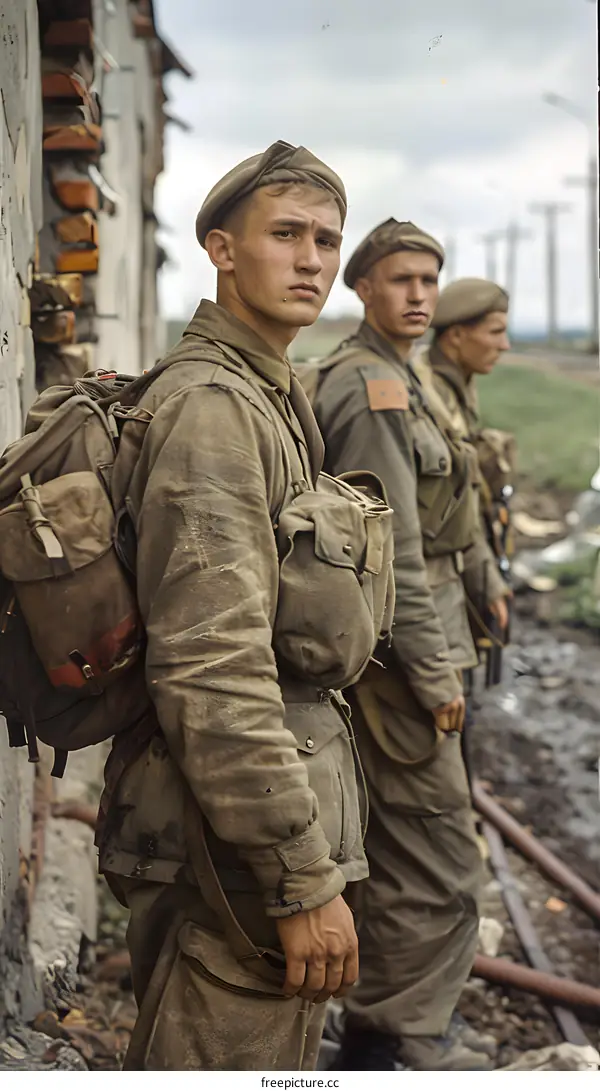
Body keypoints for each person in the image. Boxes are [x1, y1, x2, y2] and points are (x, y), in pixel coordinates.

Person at [95, 141, 392, 1072]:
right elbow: (211, 663)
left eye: (327, 240)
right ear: (222, 249)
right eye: (287, 234)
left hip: (243, 833)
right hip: (229, 851)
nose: (313, 259)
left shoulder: (272, 394)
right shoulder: (216, 409)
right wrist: (301, 881)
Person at [310, 220, 502, 1071]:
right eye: (401, 280)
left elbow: (448, 518)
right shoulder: (373, 389)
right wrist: (431, 672)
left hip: (426, 648)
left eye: (430, 278)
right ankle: (396, 1039)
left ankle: (391, 1025)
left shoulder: (405, 377)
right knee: (441, 857)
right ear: (364, 288)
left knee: (405, 847)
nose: (419, 294)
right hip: (403, 664)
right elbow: (394, 558)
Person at [414, 278, 513, 685]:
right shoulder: (424, 396)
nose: (504, 345)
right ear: (456, 336)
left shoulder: (455, 387)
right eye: (495, 332)